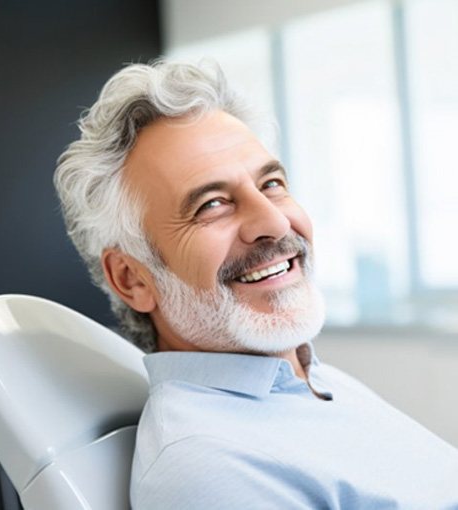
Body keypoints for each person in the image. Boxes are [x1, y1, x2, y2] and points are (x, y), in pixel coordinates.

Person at [54, 60, 458, 509]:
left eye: (272, 183)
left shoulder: (318, 380)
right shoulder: (209, 469)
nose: (273, 220)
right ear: (132, 279)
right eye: (211, 205)